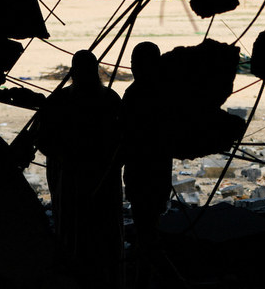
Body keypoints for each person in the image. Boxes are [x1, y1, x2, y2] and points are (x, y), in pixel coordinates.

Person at [34, 50, 124, 288]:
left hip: (91, 179)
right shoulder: (106, 99)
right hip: (76, 179)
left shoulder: (63, 101)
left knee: (84, 233)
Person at [122, 41, 188, 288]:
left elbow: (128, 135)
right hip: (158, 175)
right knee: (147, 232)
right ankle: (143, 279)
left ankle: (174, 281)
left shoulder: (136, 94)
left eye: (134, 63)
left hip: (141, 175)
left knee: (147, 236)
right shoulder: (165, 93)